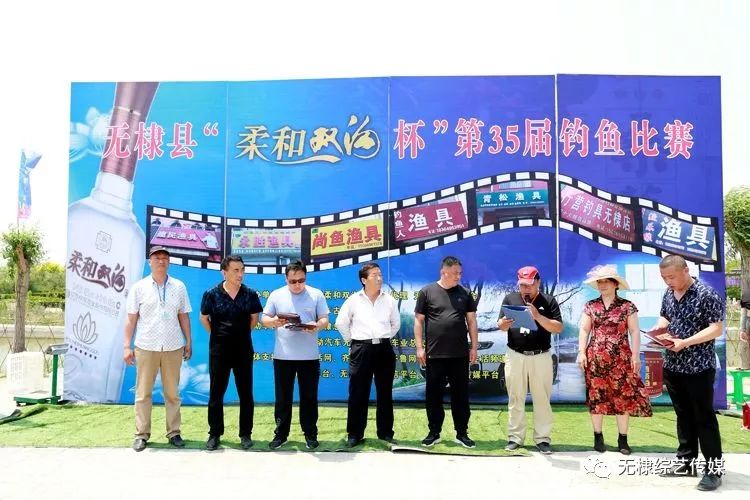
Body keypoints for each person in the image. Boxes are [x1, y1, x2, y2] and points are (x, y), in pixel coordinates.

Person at [653, 255, 724, 491]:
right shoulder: (668, 293)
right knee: (683, 415)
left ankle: (713, 471)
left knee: (704, 417)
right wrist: (659, 328)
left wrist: (686, 342)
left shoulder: (706, 294)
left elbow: (716, 328)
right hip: (673, 365)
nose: (668, 282)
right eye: (664, 278)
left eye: (672, 277)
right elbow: (665, 316)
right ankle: (686, 462)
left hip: (698, 367)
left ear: (685, 271)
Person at [577, 265, 652, 455]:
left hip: (621, 358)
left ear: (615, 284)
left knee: (623, 397)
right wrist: (581, 352)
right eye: (599, 282)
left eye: (606, 281)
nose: (602, 285)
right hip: (595, 358)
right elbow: (584, 330)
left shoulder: (627, 306)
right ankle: (598, 436)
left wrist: (636, 355)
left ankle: (623, 439)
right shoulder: (590, 305)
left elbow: (634, 331)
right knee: (596, 397)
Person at [123, 246, 192, 452]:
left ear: (169, 262)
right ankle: (141, 434)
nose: (161, 261)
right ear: (149, 262)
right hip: (146, 346)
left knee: (172, 393)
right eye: (157, 258)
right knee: (143, 393)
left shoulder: (179, 286)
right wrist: (126, 346)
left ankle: (174, 433)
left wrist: (188, 341)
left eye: (164, 258)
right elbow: (131, 319)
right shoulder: (139, 287)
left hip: (173, 346)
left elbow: (184, 316)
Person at [261, 260, 330, 450]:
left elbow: (324, 319)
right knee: (283, 398)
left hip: (309, 357)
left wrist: (317, 325)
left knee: (309, 397)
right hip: (283, 356)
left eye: (301, 280)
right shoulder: (276, 295)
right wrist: (274, 321)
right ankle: (280, 434)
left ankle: (310, 434)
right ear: (286, 279)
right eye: (293, 281)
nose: (297, 285)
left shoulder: (316, 294)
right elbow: (264, 319)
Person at [200, 255, 263, 450]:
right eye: (236, 270)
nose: (240, 274)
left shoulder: (250, 294)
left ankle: (245, 433)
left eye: (242, 270)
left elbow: (254, 319)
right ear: (224, 272)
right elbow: (204, 318)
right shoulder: (211, 294)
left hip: (243, 349)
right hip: (219, 351)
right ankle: (214, 433)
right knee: (216, 393)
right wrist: (219, 335)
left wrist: (239, 335)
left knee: (246, 393)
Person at [414, 256, 478, 448]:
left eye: (460, 273)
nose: (459, 276)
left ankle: (462, 433)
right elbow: (418, 321)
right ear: (444, 272)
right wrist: (419, 347)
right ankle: (434, 432)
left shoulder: (465, 293)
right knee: (433, 396)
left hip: (460, 354)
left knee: (461, 396)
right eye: (455, 273)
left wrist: (474, 347)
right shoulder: (427, 292)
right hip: (435, 355)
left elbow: (471, 321)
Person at [497, 266, 562, 454]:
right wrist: (503, 324)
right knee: (515, 397)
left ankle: (542, 439)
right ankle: (515, 437)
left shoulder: (548, 301)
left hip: (540, 356)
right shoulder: (510, 299)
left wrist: (537, 316)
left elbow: (558, 327)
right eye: (522, 285)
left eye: (529, 285)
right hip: (515, 355)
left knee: (542, 399)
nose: (526, 289)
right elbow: (500, 324)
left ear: (538, 282)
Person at [335, 262, 401, 447]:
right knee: (358, 392)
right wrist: (354, 341)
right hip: (361, 349)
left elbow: (395, 324)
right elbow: (341, 323)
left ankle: (385, 432)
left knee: (385, 392)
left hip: (384, 349)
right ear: (364, 280)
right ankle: (355, 434)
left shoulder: (389, 300)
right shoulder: (353, 300)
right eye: (374, 275)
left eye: (380, 275)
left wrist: (382, 338)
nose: (379, 278)